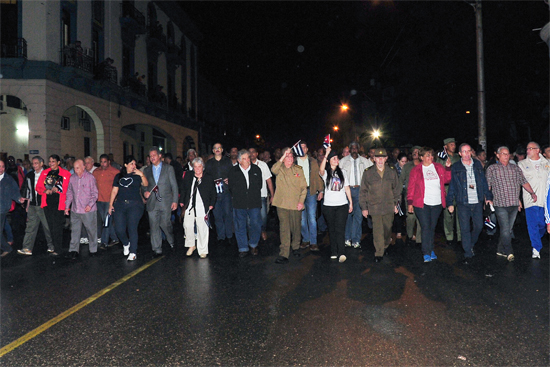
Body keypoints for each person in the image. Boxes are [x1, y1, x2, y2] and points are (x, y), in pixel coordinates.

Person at [485, 146, 536, 261]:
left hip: (513, 203)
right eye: (503, 154)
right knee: (504, 228)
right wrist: (487, 199)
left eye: (507, 154)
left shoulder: (515, 168)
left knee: (507, 229)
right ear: (497, 155)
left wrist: (532, 193)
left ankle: (500, 249)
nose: (506, 156)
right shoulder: (492, 168)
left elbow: (523, 182)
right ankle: (509, 252)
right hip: (500, 204)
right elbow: (487, 186)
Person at [446, 144, 493, 264]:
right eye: (464, 152)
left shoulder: (477, 164)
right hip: (463, 202)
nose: (467, 154)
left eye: (468, 151)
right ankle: (467, 251)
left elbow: (483, 181)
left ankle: (470, 243)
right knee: (465, 228)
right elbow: (452, 185)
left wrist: (488, 196)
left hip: (477, 201)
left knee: (479, 226)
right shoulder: (456, 167)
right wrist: (450, 202)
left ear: (471, 152)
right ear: (460, 153)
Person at [407, 147, 452, 262]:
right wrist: (410, 203)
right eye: (427, 155)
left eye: (431, 155)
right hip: (422, 203)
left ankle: (431, 249)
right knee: (426, 227)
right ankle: (426, 252)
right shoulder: (416, 170)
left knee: (432, 228)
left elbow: (447, 180)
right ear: (421, 157)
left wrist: (448, 167)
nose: (430, 158)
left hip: (437, 203)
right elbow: (411, 187)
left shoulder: (438, 167)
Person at [359, 148, 401, 263]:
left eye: (383, 157)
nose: (380, 160)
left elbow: (397, 190)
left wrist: (396, 204)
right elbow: (363, 191)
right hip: (374, 206)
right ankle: (379, 252)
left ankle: (386, 244)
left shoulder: (391, 172)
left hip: (388, 206)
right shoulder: (368, 173)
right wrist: (364, 207)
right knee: (377, 231)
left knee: (387, 230)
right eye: (378, 158)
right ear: (374, 159)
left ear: (386, 158)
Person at [271, 148, 307, 264]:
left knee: (296, 227)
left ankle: (296, 247)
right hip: (282, 204)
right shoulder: (279, 168)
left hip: (296, 203)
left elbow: (303, 188)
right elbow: (273, 170)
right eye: (287, 156)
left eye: (291, 156)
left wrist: (301, 202)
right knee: (284, 229)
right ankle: (284, 253)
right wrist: (282, 158)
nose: (290, 158)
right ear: (283, 157)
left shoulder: (298, 170)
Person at [109, 156, 148, 261]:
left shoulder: (137, 175)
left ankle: (133, 252)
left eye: (135, 164)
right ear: (126, 165)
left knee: (132, 227)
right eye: (131, 164)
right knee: (119, 229)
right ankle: (126, 243)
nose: (134, 166)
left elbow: (146, 184)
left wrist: (142, 175)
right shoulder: (119, 176)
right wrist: (110, 204)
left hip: (135, 205)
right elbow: (114, 191)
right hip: (120, 204)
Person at [143, 147, 179, 257]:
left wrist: (175, 201)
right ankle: (157, 248)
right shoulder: (146, 170)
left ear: (160, 156)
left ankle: (171, 239)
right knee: (154, 226)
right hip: (152, 202)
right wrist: (144, 192)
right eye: (150, 155)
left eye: (154, 155)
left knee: (165, 224)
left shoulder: (168, 168)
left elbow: (174, 185)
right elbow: (144, 185)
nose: (152, 157)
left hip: (166, 202)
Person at [228, 150, 263, 257]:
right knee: (240, 226)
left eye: (248, 157)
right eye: (244, 158)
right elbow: (231, 187)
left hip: (254, 203)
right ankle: (243, 247)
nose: (247, 160)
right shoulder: (233, 171)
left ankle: (253, 244)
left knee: (256, 224)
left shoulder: (256, 169)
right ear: (239, 160)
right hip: (239, 203)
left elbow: (259, 185)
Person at [319, 147, 352, 262]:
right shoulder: (325, 173)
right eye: (333, 158)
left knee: (340, 228)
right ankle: (334, 251)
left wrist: (350, 203)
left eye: (337, 158)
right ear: (329, 160)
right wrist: (326, 154)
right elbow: (321, 169)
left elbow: (347, 188)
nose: (336, 160)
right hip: (328, 206)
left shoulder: (343, 172)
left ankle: (342, 252)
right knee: (331, 229)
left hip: (342, 205)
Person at [339, 141, 373, 249]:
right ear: (349, 149)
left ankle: (356, 240)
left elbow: (372, 172)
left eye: (356, 148)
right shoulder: (343, 161)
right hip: (347, 191)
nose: (354, 150)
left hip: (360, 190)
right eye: (352, 148)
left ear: (359, 149)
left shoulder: (364, 161)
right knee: (348, 216)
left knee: (358, 216)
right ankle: (347, 238)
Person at [18, 156, 54, 255]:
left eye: (36, 163)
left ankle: (52, 246)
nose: (34, 165)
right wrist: (26, 202)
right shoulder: (29, 175)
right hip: (33, 205)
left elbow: (50, 190)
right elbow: (26, 190)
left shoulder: (48, 174)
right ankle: (27, 248)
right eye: (33, 163)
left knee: (47, 227)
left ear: (41, 164)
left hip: (43, 205)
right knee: (30, 227)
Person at [36, 154, 72, 256]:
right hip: (48, 203)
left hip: (59, 203)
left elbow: (69, 189)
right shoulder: (45, 173)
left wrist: (59, 190)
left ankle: (58, 249)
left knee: (57, 226)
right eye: (50, 161)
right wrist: (45, 190)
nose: (51, 163)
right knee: (50, 226)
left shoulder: (65, 173)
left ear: (58, 162)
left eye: (53, 161)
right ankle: (54, 247)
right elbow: (38, 187)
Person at [518, 142, 549, 259]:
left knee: (542, 224)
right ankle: (536, 248)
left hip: (544, 200)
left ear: (538, 150)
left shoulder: (547, 163)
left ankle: (537, 237)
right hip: (530, 200)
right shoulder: (521, 164)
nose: (528, 151)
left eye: (531, 148)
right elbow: (518, 182)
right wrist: (518, 198)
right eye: (527, 149)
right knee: (532, 224)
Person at [180, 158, 216, 258]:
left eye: (199, 166)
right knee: (187, 225)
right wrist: (182, 201)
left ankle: (203, 249)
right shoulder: (188, 175)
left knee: (202, 228)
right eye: (195, 167)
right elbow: (183, 189)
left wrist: (212, 203)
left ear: (203, 167)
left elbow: (213, 192)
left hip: (202, 205)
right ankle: (191, 245)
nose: (197, 169)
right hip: (190, 205)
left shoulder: (208, 177)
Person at [64, 159, 99, 259]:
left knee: (91, 230)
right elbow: (69, 193)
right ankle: (74, 250)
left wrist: (90, 205)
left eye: (78, 168)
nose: (75, 170)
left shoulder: (90, 178)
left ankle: (93, 250)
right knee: (74, 231)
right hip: (75, 210)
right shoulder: (72, 178)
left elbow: (95, 194)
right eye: (74, 168)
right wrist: (67, 206)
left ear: (83, 167)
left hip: (87, 210)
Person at [295, 141, 324, 251]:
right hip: (298, 193)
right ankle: (305, 239)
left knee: (312, 217)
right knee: (302, 218)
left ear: (307, 149)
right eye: (300, 148)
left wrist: (321, 190)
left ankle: (313, 241)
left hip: (311, 191)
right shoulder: (294, 162)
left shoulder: (313, 161)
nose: (302, 150)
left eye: (304, 147)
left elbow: (317, 177)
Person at [205, 143, 234, 244]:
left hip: (226, 192)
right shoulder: (209, 163)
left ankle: (229, 235)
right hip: (214, 194)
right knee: (217, 216)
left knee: (227, 214)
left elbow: (233, 174)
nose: (217, 150)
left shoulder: (227, 161)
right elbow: (206, 177)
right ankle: (221, 236)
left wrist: (230, 179)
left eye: (219, 148)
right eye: (215, 148)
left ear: (222, 150)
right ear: (213, 150)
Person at [436, 138, 461, 246]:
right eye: (451, 144)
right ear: (445, 146)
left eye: (454, 144)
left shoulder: (458, 157)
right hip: (447, 187)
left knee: (460, 213)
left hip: (459, 187)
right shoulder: (441, 158)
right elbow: (438, 171)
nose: (453, 146)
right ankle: (449, 236)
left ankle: (460, 236)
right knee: (448, 214)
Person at [93, 154, 120, 249]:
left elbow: (118, 186)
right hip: (99, 199)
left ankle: (104, 242)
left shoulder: (115, 172)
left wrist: (116, 198)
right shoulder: (96, 172)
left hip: (110, 200)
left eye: (105, 161)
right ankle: (115, 238)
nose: (103, 164)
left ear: (109, 162)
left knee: (107, 220)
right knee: (105, 220)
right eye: (101, 162)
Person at [0, 159, 25, 257]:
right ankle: (6, 246)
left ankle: (6, 248)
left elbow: (15, 192)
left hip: (2, 208)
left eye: (2, 166)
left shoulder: (8, 179)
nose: (0, 169)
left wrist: (19, 199)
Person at [249, 147, 275, 241]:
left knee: (263, 216)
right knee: (251, 218)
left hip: (262, 195)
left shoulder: (263, 165)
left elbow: (269, 181)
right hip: (249, 196)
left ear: (256, 154)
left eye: (253, 152)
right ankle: (254, 234)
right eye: (249, 152)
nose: (251, 154)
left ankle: (263, 230)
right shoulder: (245, 165)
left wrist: (272, 195)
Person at [400, 146, 422, 246]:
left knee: (420, 218)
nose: (415, 153)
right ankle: (409, 236)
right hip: (410, 195)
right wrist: (398, 195)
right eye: (413, 152)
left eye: (417, 152)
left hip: (422, 195)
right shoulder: (407, 166)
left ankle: (419, 239)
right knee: (410, 217)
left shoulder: (425, 165)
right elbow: (401, 180)